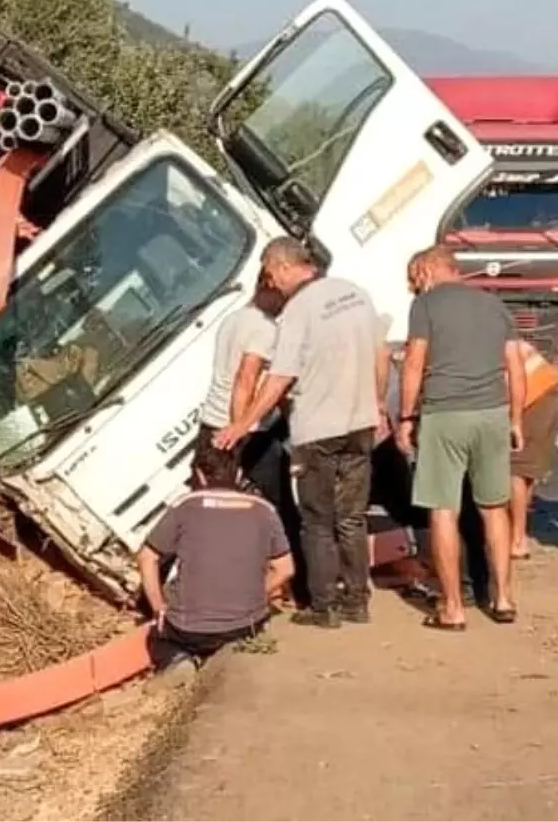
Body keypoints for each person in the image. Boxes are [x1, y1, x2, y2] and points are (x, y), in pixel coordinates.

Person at [214, 236, 392, 629]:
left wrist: (242, 424)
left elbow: (280, 377)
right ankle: (358, 601)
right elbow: (382, 356)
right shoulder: (356, 294)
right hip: (360, 422)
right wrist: (377, 403)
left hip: (318, 429)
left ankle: (324, 606)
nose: (270, 283)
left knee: (316, 520)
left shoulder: (298, 311)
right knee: (352, 517)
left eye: (268, 274)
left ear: (281, 266)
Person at [395, 245, 525, 632]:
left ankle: (453, 607)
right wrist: (515, 418)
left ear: (429, 270)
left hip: (444, 414)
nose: (414, 286)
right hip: (491, 414)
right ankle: (503, 598)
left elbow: (415, 363)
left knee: (442, 509)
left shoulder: (426, 306)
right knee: (494, 507)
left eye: (415, 277)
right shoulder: (494, 305)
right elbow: (515, 366)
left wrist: (406, 416)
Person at [137, 440, 294, 680]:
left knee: (159, 637)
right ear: (239, 474)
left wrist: (159, 607)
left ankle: (177, 660)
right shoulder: (265, 510)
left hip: (187, 627)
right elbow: (285, 569)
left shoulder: (185, 506)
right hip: (244, 625)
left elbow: (147, 557)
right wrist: (253, 595)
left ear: (199, 475)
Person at [192, 272, 286, 501]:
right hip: (242, 433)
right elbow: (246, 378)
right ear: (269, 285)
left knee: (215, 506)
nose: (287, 303)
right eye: (285, 294)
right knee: (281, 508)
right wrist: (238, 429)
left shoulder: (233, 319)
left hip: (211, 425)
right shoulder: (264, 327)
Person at [509, 340, 558, 560]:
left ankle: (517, 540)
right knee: (524, 470)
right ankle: (516, 533)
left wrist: (513, 421)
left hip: (534, 395)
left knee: (515, 469)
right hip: (544, 389)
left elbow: (511, 381)